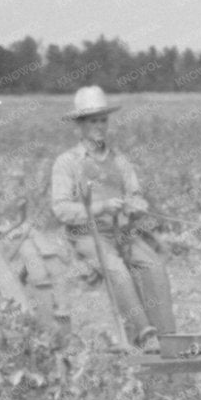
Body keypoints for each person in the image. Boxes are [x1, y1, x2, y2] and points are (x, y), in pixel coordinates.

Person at [48, 86, 177, 352]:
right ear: (80, 126)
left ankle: (168, 337)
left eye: (102, 120)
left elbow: (137, 195)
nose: (99, 126)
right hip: (87, 235)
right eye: (93, 121)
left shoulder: (119, 160)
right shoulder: (67, 162)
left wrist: (136, 207)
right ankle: (145, 334)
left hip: (122, 233)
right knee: (116, 269)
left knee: (154, 265)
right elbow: (61, 209)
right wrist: (101, 206)